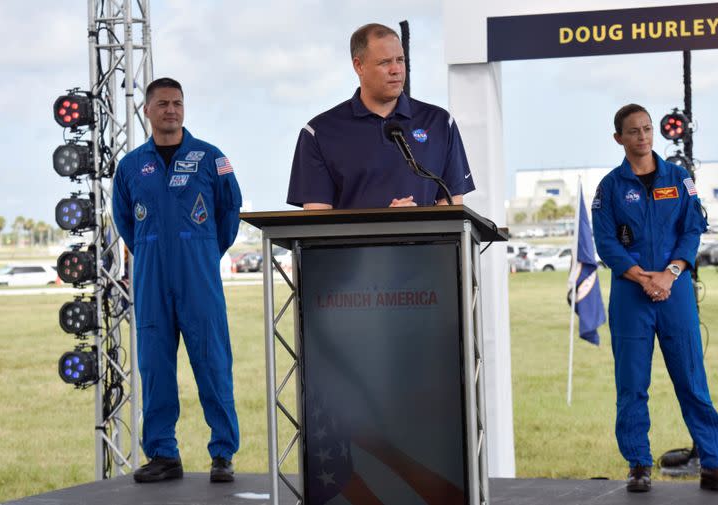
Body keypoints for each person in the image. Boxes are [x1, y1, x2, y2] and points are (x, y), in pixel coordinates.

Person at [592, 103, 718, 493]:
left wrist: (671, 273)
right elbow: (606, 241)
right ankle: (638, 464)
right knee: (632, 385)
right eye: (634, 131)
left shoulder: (679, 178)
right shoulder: (609, 187)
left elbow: (693, 227)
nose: (643, 137)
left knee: (692, 380)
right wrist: (641, 277)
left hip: (674, 291)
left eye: (647, 129)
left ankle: (714, 464)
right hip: (631, 294)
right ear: (618, 139)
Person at [112, 77, 243, 483]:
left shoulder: (210, 158)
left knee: (213, 364)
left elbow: (230, 211)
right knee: (154, 368)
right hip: (152, 280)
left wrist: (201, 252)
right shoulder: (131, 166)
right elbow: (124, 221)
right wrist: (154, 251)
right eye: (163, 104)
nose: (171, 110)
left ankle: (222, 453)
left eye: (178, 103)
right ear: (147, 111)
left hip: (198, 279)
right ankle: (164, 454)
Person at [286, 23, 475, 209]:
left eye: (400, 60)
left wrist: (417, 223)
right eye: (385, 62)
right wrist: (386, 223)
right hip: (354, 241)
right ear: (359, 66)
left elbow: (452, 205)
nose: (396, 70)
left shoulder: (439, 122)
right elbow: (317, 223)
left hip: (430, 241)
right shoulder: (319, 132)